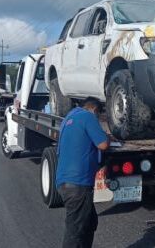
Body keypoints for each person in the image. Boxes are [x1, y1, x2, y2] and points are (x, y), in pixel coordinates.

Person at [56, 97, 110, 248]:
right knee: (75, 231)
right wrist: (108, 137)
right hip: (78, 184)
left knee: (90, 222)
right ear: (94, 110)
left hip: (65, 182)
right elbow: (103, 144)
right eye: (98, 116)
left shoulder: (69, 118)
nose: (98, 119)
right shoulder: (88, 116)